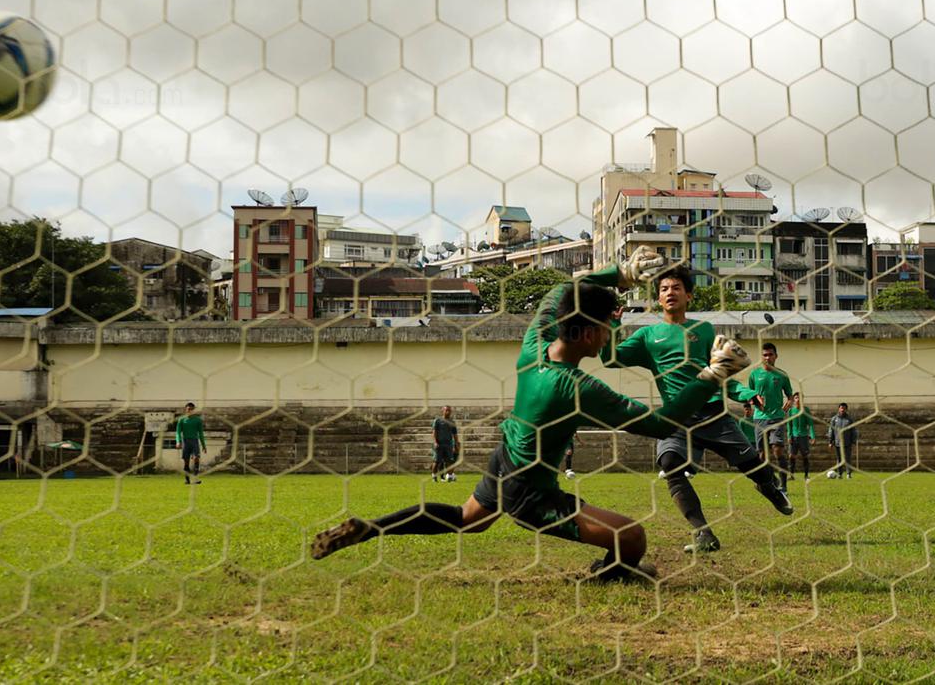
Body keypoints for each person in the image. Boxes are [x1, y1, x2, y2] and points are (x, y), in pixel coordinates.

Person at [310, 249, 753, 581]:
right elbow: (663, 424)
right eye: (608, 326)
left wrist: (620, 274)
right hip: (530, 491)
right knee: (632, 539)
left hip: (506, 459)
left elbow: (560, 289)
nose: (612, 335)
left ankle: (368, 528)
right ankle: (610, 574)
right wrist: (713, 376)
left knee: (467, 520)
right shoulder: (576, 388)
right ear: (584, 333)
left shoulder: (535, 345)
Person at [601, 265, 792, 555]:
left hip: (713, 414)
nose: (670, 293)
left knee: (751, 463)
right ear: (658, 299)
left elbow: (721, 372)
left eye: (676, 287)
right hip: (676, 418)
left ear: (688, 295)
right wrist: (612, 326)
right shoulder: (648, 336)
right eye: (664, 289)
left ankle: (769, 487)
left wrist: (746, 394)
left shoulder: (703, 330)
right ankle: (703, 533)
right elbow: (611, 359)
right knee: (669, 465)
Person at [748, 342, 795, 492]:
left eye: (770, 354)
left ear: (776, 356)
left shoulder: (782, 375)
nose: (767, 357)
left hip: (777, 418)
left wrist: (790, 401)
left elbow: (790, 395)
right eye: (765, 355)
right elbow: (749, 395)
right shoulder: (754, 374)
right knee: (761, 454)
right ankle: (766, 483)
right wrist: (753, 400)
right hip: (759, 418)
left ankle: (784, 486)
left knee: (777, 450)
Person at [175, 402, 206, 485]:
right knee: (186, 462)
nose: (190, 411)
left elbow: (201, 433)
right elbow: (178, 432)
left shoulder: (198, 420)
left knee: (196, 458)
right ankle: (187, 479)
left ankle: (196, 478)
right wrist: (178, 441)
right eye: (189, 409)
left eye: (192, 409)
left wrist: (203, 445)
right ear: (186, 410)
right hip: (185, 442)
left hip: (194, 442)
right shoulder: (181, 420)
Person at [787, 392, 814, 481]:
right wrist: (789, 435)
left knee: (805, 456)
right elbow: (789, 424)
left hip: (803, 436)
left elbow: (810, 424)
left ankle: (806, 476)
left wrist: (812, 436)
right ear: (794, 399)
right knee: (791, 456)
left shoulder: (806, 410)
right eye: (796, 398)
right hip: (794, 436)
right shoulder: (791, 411)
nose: (798, 399)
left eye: (800, 398)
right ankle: (791, 475)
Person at [827, 403, 858, 479]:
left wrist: (854, 442)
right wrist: (830, 442)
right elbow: (831, 430)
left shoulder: (849, 419)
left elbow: (853, 431)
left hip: (847, 442)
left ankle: (848, 474)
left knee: (847, 459)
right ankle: (840, 474)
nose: (842, 409)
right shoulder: (834, 419)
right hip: (837, 443)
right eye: (841, 408)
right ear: (839, 409)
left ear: (846, 409)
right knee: (839, 459)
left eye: (844, 408)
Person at [431, 406, 459, 483]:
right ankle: (434, 476)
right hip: (439, 444)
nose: (448, 412)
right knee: (437, 461)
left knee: (449, 461)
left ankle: (449, 477)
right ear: (442, 411)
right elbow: (434, 432)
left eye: (449, 411)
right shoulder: (437, 420)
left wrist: (456, 444)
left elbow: (455, 434)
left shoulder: (452, 422)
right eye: (446, 410)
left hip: (449, 444)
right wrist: (435, 442)